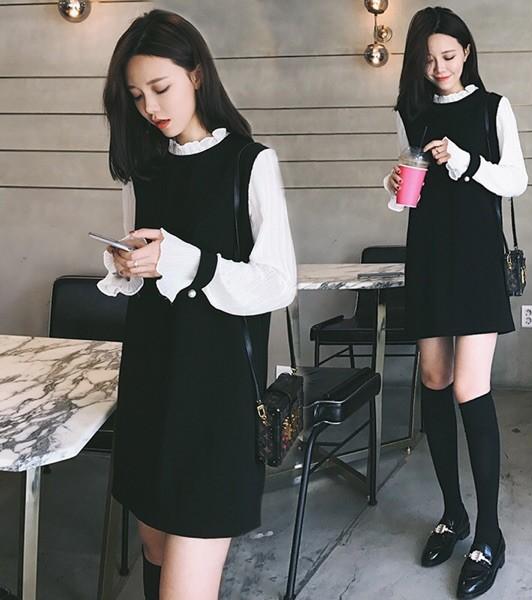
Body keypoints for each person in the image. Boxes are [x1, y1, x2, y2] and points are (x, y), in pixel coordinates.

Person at [97, 9, 297, 600]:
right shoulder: (145, 170)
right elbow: (151, 270)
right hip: (150, 385)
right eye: (137, 96)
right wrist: (126, 266)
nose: (150, 107)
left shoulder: (249, 163)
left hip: (217, 401)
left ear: (196, 74)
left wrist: (189, 262)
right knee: (155, 553)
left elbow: (278, 284)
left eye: (160, 88)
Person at [384, 6, 527, 599]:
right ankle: (453, 514)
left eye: (448, 55)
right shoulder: (410, 112)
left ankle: (489, 532)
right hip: (428, 259)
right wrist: (394, 186)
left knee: (471, 386)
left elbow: (515, 180)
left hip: (475, 262)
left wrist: (467, 163)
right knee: (434, 379)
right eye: (428, 60)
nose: (439, 67)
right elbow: (409, 188)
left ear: (466, 51)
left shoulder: (493, 108)